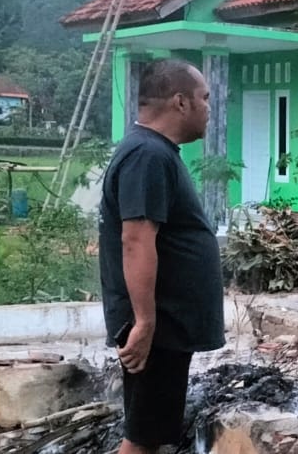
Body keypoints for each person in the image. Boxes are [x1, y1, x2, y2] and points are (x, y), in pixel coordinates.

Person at [98, 59, 224, 453]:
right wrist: (146, 322)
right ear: (180, 102)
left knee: (149, 437)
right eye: (205, 98)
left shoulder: (155, 152)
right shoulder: (147, 156)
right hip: (158, 326)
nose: (209, 107)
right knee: (142, 442)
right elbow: (136, 240)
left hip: (166, 325)